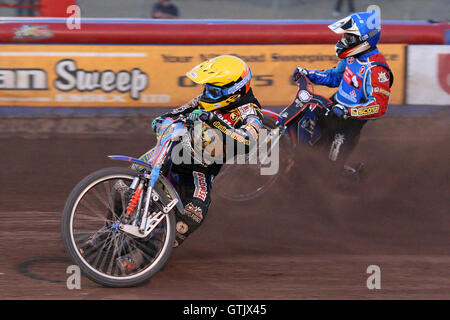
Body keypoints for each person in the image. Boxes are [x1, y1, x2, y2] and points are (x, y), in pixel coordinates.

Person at [114, 55, 263, 271]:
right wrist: (163, 123)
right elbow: (171, 115)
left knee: (191, 218)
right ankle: (105, 233)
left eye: (214, 91)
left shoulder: (251, 113)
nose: (207, 94)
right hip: (172, 155)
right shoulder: (202, 100)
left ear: (235, 91)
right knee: (125, 184)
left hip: (200, 172)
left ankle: (141, 257)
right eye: (207, 88)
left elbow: (248, 140)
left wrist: (215, 122)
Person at [291, 12, 393, 179]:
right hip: (332, 106)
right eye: (345, 36)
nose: (344, 41)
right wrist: (309, 74)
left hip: (348, 124)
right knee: (301, 123)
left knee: (329, 172)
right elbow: (336, 76)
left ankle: (351, 178)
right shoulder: (351, 56)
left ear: (364, 40)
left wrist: (348, 112)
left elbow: (379, 107)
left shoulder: (377, 70)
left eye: (349, 37)